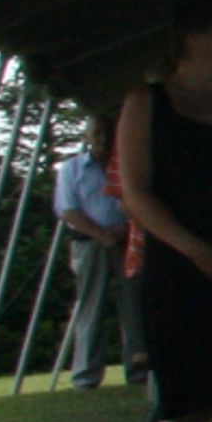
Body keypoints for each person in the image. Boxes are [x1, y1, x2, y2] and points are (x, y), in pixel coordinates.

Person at [116, 0, 212, 422]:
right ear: (194, 36)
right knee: (187, 408)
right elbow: (135, 194)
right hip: (176, 267)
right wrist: (198, 252)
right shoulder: (147, 102)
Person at [51, 132, 134, 391]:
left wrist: (122, 230)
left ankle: (138, 368)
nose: (102, 141)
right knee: (91, 305)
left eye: (107, 135)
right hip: (88, 243)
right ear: (88, 138)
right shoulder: (71, 168)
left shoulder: (125, 165)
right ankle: (86, 375)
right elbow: (69, 211)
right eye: (97, 135)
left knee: (132, 305)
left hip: (125, 239)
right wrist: (101, 235)